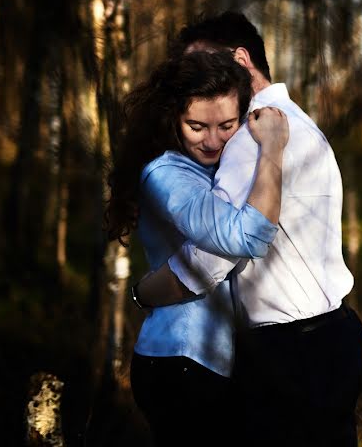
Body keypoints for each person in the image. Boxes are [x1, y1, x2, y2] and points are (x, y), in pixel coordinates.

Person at [136, 11, 362, 446]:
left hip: (289, 350)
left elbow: (206, 264)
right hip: (336, 333)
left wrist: (144, 293)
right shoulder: (299, 121)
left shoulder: (251, 139)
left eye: (204, 67)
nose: (196, 83)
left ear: (240, 60)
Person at [105, 50, 289, 445]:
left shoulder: (209, 168)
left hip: (204, 361)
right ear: (172, 118)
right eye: (196, 126)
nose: (212, 141)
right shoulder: (167, 174)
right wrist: (272, 149)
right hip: (179, 362)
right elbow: (250, 236)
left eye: (227, 125)